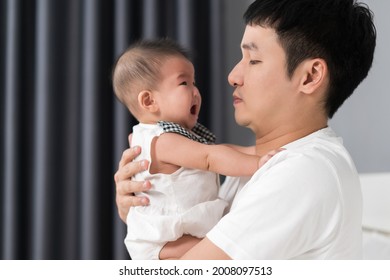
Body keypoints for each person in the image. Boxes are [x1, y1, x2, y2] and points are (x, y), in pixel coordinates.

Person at [114, 0, 376, 259]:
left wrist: (146, 240)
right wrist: (144, 213)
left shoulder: (304, 171)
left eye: (253, 60)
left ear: (309, 76)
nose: (233, 75)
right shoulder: (260, 165)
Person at [112, 38, 279, 259]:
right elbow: (210, 157)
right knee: (223, 252)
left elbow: (215, 150)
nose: (196, 92)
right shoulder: (162, 141)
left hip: (172, 235)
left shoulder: (169, 135)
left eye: (194, 83)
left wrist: (253, 152)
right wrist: (257, 164)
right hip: (165, 242)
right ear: (149, 101)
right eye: (184, 84)